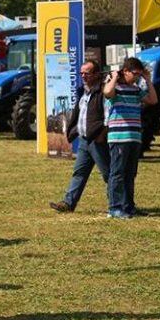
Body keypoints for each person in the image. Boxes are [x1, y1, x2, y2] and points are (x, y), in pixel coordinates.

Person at [50, 60, 110, 213]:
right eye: (81, 73)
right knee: (79, 172)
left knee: (108, 174)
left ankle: (118, 203)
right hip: (84, 140)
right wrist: (72, 132)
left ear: (96, 74)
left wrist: (101, 135)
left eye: (87, 73)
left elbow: (108, 117)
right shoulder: (83, 92)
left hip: (97, 140)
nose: (83, 76)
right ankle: (68, 203)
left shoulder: (103, 92)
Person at [103, 57, 158, 219]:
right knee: (117, 173)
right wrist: (114, 77)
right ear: (125, 71)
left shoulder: (135, 89)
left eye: (139, 75)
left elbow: (153, 100)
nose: (137, 77)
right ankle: (115, 207)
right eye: (135, 74)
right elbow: (107, 93)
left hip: (134, 137)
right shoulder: (115, 87)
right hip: (119, 137)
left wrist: (147, 79)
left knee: (130, 173)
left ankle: (129, 206)